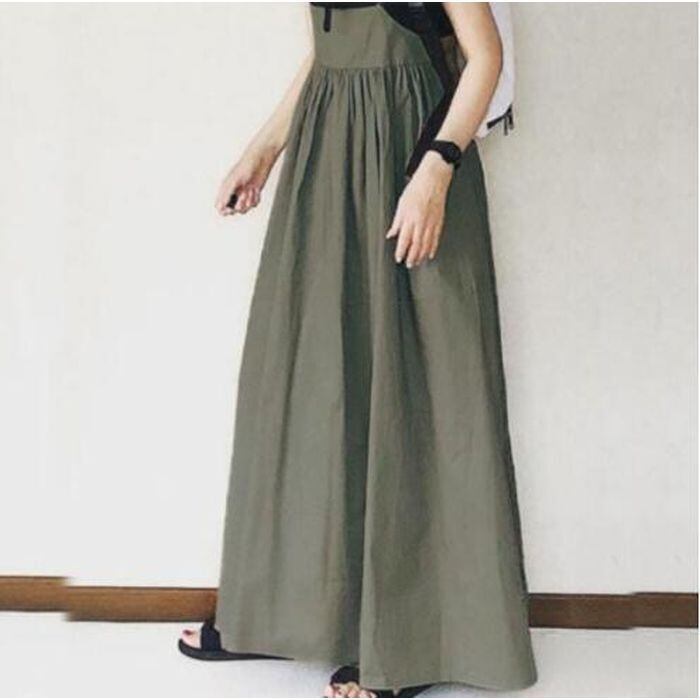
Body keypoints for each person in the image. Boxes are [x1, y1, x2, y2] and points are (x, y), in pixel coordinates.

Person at [179, 3, 537, 697]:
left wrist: (437, 170)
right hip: (329, 159)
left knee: (413, 391)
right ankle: (279, 615)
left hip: (409, 159)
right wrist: (263, 150)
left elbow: (485, 57)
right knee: (309, 382)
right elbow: (330, 52)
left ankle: (404, 647)